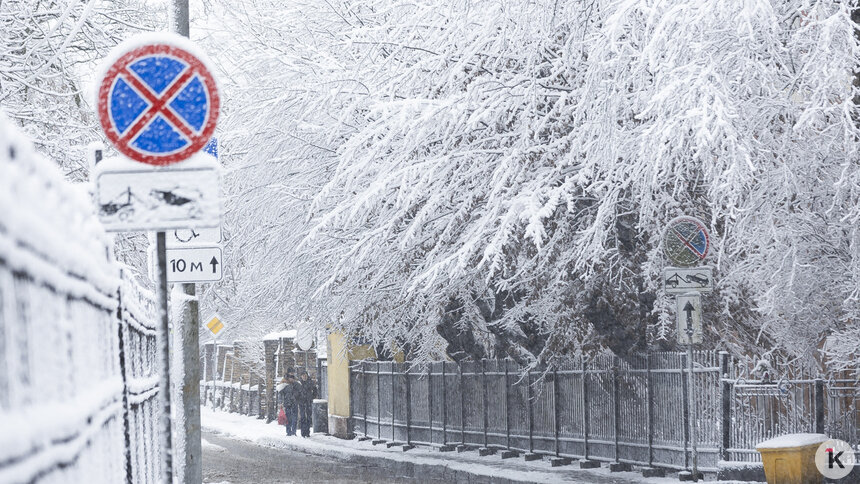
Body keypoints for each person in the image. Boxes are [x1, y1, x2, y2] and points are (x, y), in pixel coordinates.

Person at [296, 369, 318, 437]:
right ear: (301, 376)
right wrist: (298, 399)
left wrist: (312, 397)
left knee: (308, 417)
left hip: (308, 402)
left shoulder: (310, 382)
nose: (304, 377)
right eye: (303, 376)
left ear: (307, 376)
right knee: (302, 417)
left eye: (305, 376)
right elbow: (296, 393)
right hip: (302, 402)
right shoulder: (299, 384)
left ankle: (307, 432)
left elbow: (315, 390)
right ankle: (303, 432)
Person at [278, 369, 298, 436]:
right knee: (288, 418)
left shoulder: (296, 382)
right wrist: (281, 402)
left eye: (293, 372)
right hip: (287, 402)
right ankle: (289, 431)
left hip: (294, 402)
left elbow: (300, 392)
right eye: (291, 372)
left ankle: (294, 431)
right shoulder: (284, 383)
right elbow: (280, 393)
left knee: (294, 418)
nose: (292, 374)